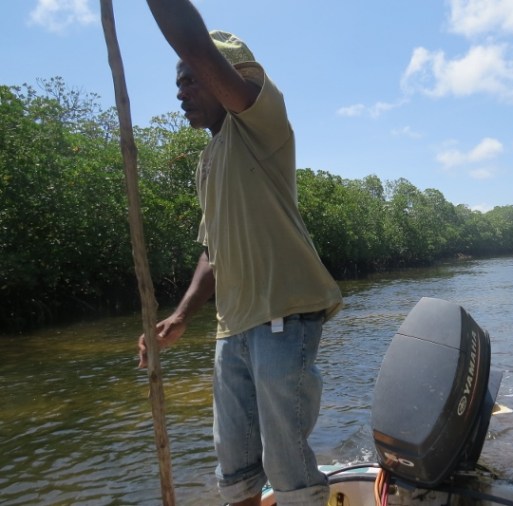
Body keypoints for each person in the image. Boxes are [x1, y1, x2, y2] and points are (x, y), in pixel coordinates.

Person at [137, 1, 343, 505]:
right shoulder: (209, 160)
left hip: (283, 315)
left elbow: (195, 45)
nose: (182, 91)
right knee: (235, 467)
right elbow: (213, 250)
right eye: (178, 83)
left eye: (191, 79)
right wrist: (181, 317)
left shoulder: (261, 120)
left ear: (228, 76)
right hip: (233, 327)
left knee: (286, 461)